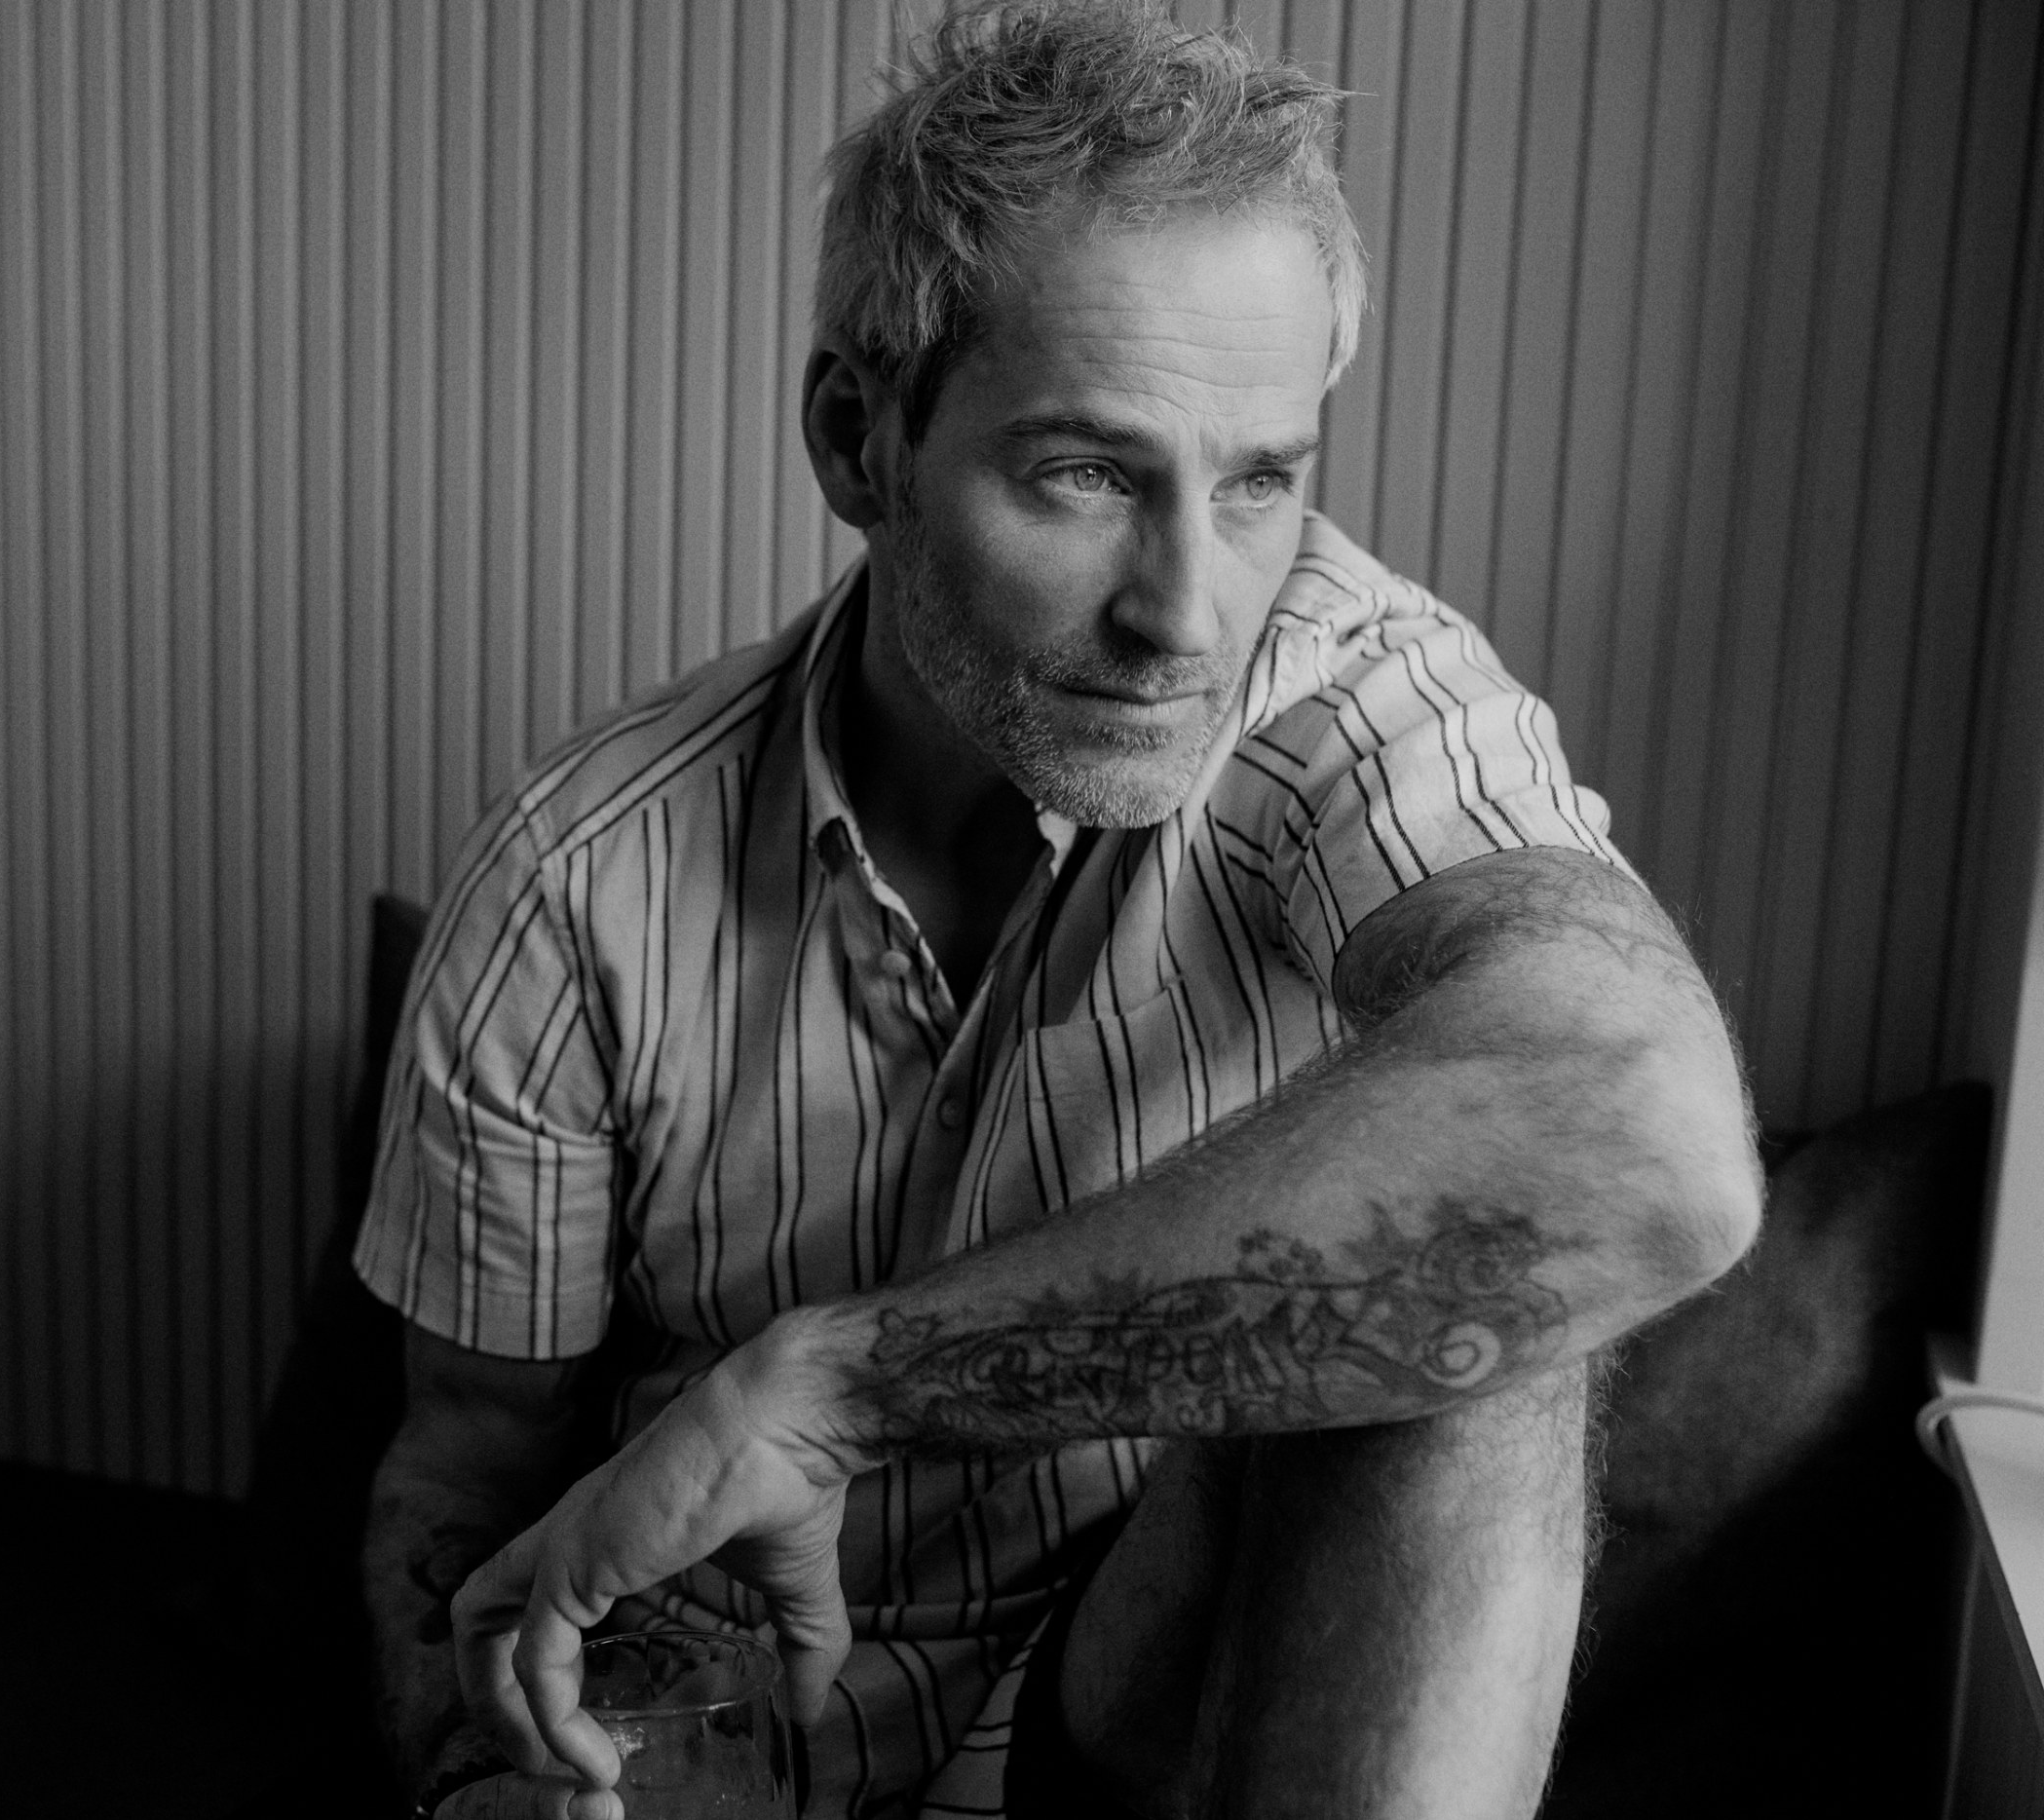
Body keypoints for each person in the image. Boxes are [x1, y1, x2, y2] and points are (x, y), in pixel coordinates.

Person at [355, 6, 1761, 1816]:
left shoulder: (1352, 696)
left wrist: (840, 1384)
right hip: (720, 1721)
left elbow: (1647, 1146)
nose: (1190, 610)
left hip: (1153, 1696)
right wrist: (482, 1770)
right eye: (1087, 476)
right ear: (859, 442)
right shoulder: (578, 876)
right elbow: (464, 1475)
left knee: (1479, 1323)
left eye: (1261, 479)